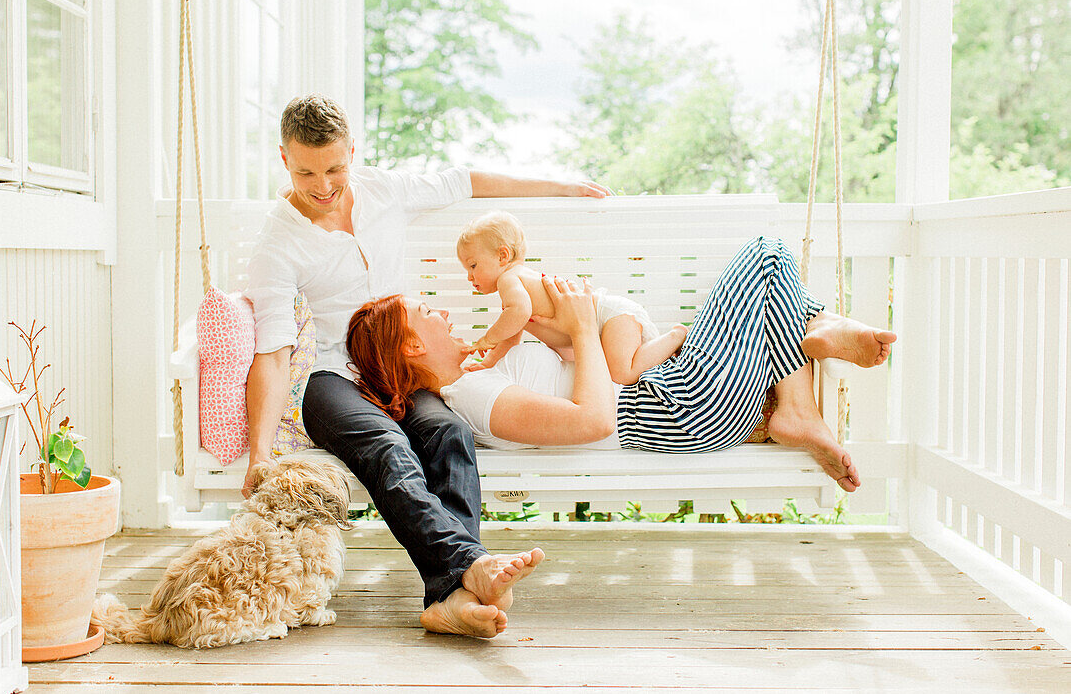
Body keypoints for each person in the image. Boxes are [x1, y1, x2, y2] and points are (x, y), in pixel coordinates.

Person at [242, 93, 612, 638]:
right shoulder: (278, 242)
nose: (322, 185)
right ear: (283, 159)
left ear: (352, 151)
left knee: (448, 433)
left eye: (335, 168)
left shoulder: (384, 191)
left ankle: (448, 598)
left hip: (399, 366)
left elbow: (465, 181)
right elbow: (272, 353)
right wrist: (259, 454)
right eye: (305, 173)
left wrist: (560, 186)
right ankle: (466, 573)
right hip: (331, 378)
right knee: (388, 447)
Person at [346, 237, 898, 491]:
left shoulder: (479, 371)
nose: (441, 309)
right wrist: (585, 325)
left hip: (676, 391)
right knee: (769, 256)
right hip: (674, 404)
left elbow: (569, 373)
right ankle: (812, 354)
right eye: (425, 311)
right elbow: (595, 421)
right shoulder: (473, 399)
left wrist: (560, 325)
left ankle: (809, 356)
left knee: (774, 277)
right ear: (412, 347)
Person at [457, 211, 688, 383]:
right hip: (605, 321)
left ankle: (676, 336)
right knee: (615, 371)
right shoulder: (514, 290)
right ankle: (667, 352)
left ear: (502, 256)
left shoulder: (509, 280)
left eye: (473, 265)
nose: (469, 277)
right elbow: (511, 336)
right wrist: (487, 363)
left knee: (621, 373)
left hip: (610, 317)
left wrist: (487, 339)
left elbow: (519, 313)